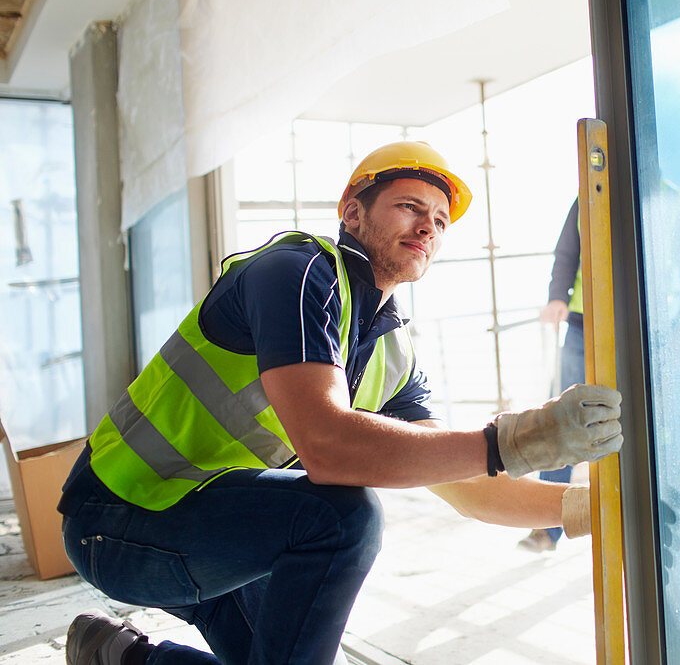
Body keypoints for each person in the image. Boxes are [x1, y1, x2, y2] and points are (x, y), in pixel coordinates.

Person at [59, 141, 624, 665]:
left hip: (217, 522)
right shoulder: (297, 272)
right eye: (410, 206)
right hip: (120, 519)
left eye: (441, 220)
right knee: (340, 516)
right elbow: (328, 447)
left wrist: (584, 507)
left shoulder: (390, 352)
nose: (428, 225)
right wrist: (520, 438)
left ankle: (121, 655)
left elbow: (469, 484)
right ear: (352, 212)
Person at [517, 199, 588, 553]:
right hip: (582, 325)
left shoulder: (670, 195)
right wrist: (557, 296)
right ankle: (546, 530)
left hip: (643, 325)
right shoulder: (587, 193)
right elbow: (566, 253)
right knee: (563, 419)